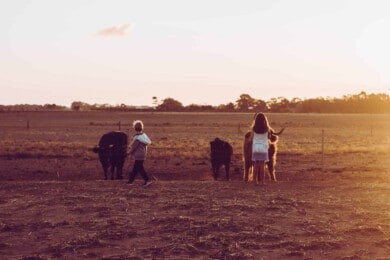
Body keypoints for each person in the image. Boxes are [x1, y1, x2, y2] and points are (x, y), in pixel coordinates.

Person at [127, 120, 153, 187]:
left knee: (139, 168)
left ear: (135, 128)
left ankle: (147, 180)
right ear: (142, 128)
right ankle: (130, 181)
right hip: (143, 154)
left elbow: (134, 147)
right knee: (137, 168)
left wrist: (128, 152)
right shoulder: (144, 136)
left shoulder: (137, 138)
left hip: (138, 155)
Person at [250, 112, 272, 185]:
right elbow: (269, 137)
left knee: (255, 164)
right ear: (264, 120)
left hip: (256, 147)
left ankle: (254, 181)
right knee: (262, 165)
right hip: (263, 148)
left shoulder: (253, 128)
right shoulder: (267, 128)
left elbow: (251, 138)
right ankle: (262, 182)